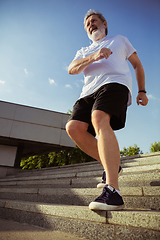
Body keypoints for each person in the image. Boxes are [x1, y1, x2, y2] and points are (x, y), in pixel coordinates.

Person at [66, 9, 148, 211]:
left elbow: (137, 65)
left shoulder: (119, 40)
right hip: (87, 93)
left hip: (115, 83)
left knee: (99, 117)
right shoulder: (84, 51)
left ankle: (113, 191)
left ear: (104, 23)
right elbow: (72, 69)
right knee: (73, 128)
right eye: (87, 24)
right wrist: (94, 56)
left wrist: (142, 91)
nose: (90, 25)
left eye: (94, 21)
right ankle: (112, 164)